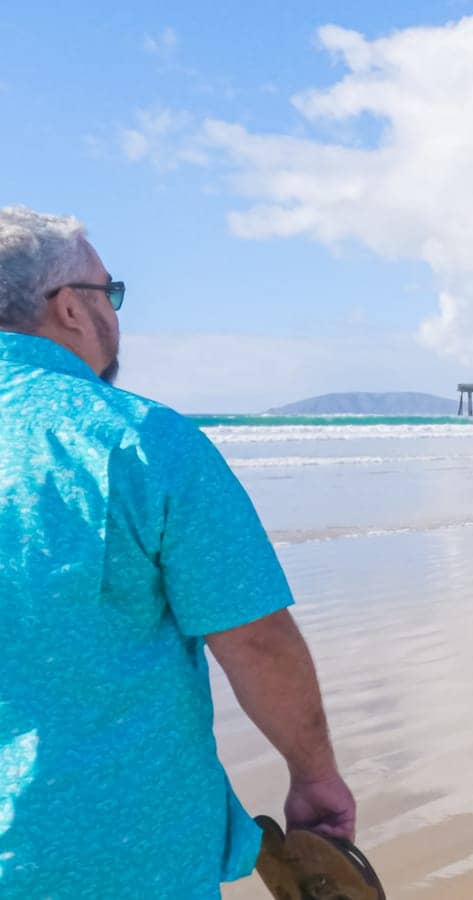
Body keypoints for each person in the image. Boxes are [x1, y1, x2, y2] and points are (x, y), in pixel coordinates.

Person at [0, 207, 355, 897]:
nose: (116, 313)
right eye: (112, 292)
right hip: (117, 853)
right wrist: (313, 775)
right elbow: (255, 641)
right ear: (69, 307)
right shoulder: (139, 441)